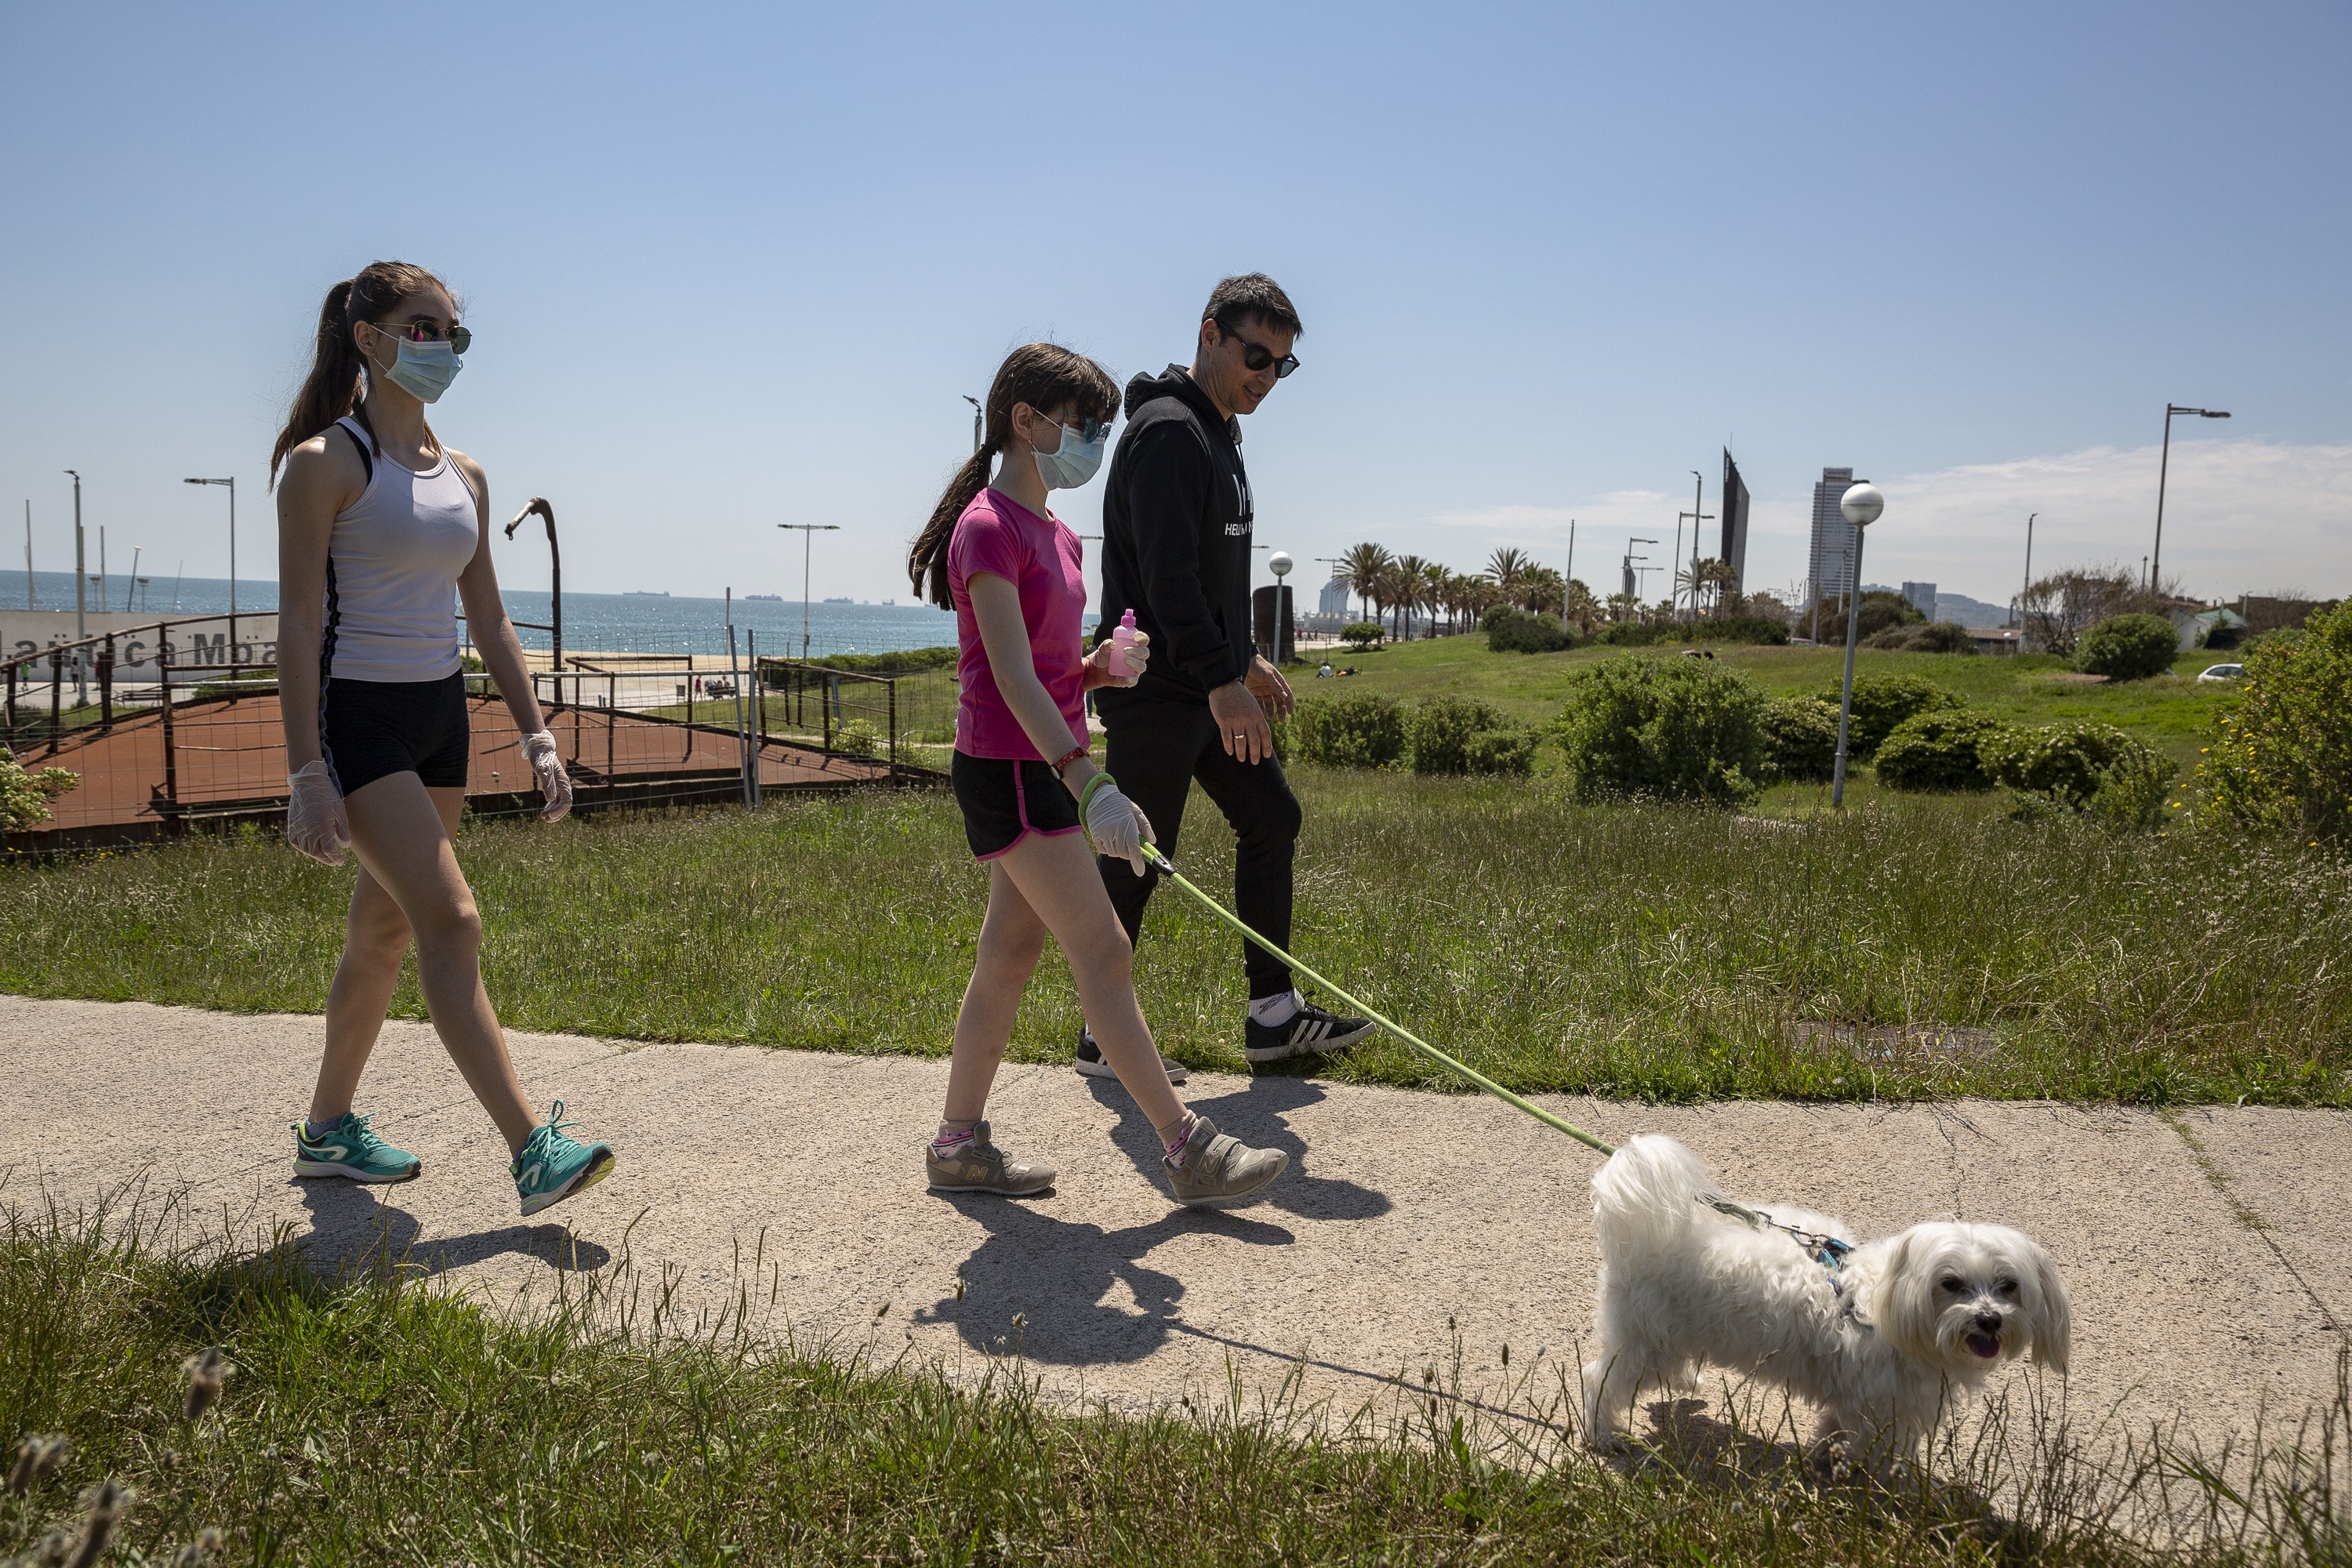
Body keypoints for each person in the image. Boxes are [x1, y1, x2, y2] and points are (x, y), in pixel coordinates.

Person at [906, 343, 1287, 1207]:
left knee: (1009, 951)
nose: (1096, 440)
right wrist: (1088, 779)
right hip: (1012, 767)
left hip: (1043, 756)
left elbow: (1041, 668)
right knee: (1105, 949)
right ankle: (1187, 1148)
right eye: (1085, 424)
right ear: (1027, 421)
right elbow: (1002, 675)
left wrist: (1096, 671)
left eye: (1102, 426)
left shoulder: (1059, 533)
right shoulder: (987, 528)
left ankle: (957, 1143)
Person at [270, 260, 615, 1218]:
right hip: (360, 717)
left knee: (383, 928)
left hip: (438, 717)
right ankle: (532, 1149)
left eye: (454, 333)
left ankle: (328, 1130)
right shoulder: (324, 464)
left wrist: (538, 735)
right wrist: (308, 770)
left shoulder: (465, 474)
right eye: (423, 328)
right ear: (368, 337)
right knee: (452, 921)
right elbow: (298, 625)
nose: (443, 348)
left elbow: (492, 620)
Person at [1089, 275, 1372, 1070]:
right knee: (1138, 856)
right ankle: (1101, 1033)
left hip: (1205, 680)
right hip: (1158, 687)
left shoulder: (1218, 432)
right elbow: (1168, 575)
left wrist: (1242, 656)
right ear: (1209, 333)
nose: (1266, 376)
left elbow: (1211, 575)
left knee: (1270, 816)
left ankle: (1273, 1016)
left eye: (1282, 365)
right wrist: (1223, 680)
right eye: (1256, 355)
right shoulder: (1170, 432)